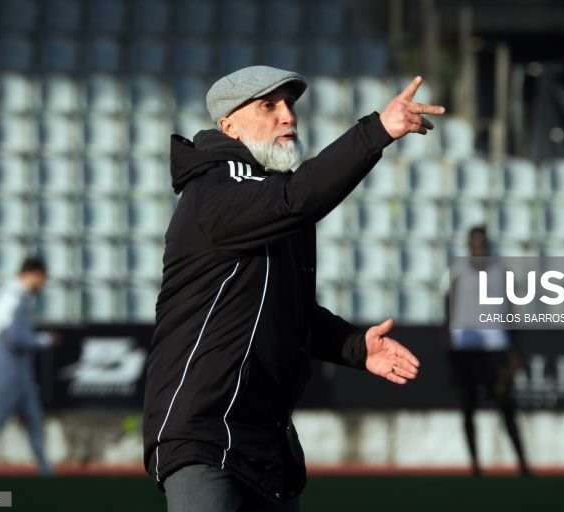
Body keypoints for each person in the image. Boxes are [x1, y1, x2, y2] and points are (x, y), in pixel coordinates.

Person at [143, 65, 445, 511]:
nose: (288, 116)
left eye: (290, 105)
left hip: (265, 443)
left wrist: (355, 346)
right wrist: (377, 131)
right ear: (229, 125)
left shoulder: (262, 195)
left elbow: (287, 308)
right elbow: (298, 198)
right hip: (204, 435)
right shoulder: (215, 189)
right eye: (269, 106)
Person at [446, 226, 530, 476]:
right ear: (468, 245)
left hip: (496, 347)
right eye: (474, 243)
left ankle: (523, 464)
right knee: (468, 406)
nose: (478, 248)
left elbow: (512, 311)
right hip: (466, 348)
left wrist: (514, 350)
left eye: (482, 243)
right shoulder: (458, 272)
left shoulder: (500, 271)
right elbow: (447, 309)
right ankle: (475, 465)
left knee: (506, 405)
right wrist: (448, 345)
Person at [0, 257, 59, 478]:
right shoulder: (10, 299)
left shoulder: (18, 298)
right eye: (42, 278)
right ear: (34, 274)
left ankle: (45, 470)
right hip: (6, 376)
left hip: (21, 376)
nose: (42, 284)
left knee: (34, 423)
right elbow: (10, 337)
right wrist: (43, 340)